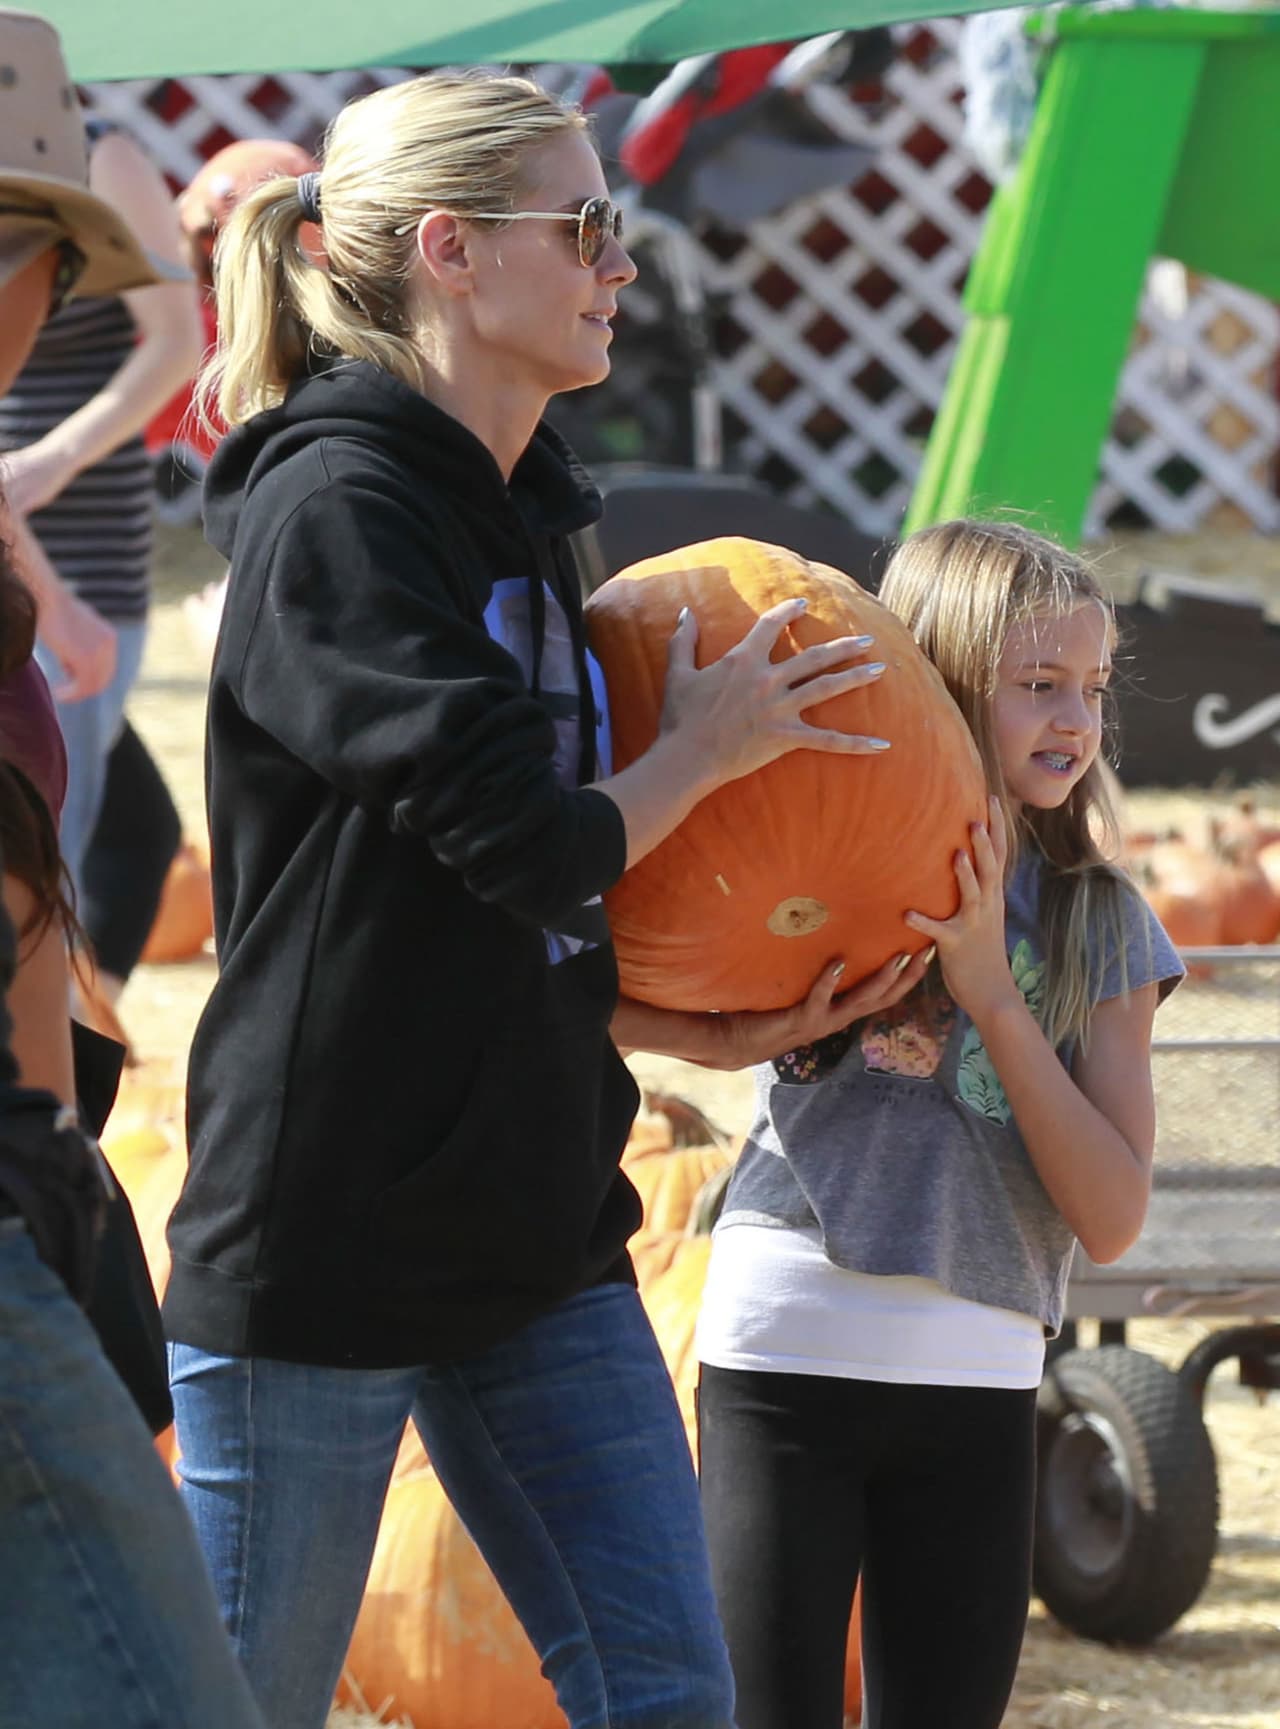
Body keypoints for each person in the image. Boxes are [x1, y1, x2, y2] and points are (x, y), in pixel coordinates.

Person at [163, 67, 891, 1729]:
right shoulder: (335, 513)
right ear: (452, 251)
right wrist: (707, 748)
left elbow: (487, 915)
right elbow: (525, 838)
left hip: (538, 1218)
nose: (621, 264)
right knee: (236, 1705)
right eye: (588, 225)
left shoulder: (523, 504)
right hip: (329, 1231)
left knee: (670, 1692)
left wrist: (671, 1011)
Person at [669, 518, 1183, 1729]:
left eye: (1092, 687)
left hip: (975, 1373)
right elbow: (665, 972)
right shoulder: (823, 848)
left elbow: (1111, 1215)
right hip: (784, 1347)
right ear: (943, 682)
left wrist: (992, 995)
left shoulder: (1098, 921)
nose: (1073, 718)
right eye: (1037, 683)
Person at [0, 79, 201, 957]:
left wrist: (55, 458)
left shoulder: (100, 151)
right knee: (83, 854)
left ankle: (74, 1030)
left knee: (83, 856)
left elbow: (177, 341)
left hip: (81, 546)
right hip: (26, 553)